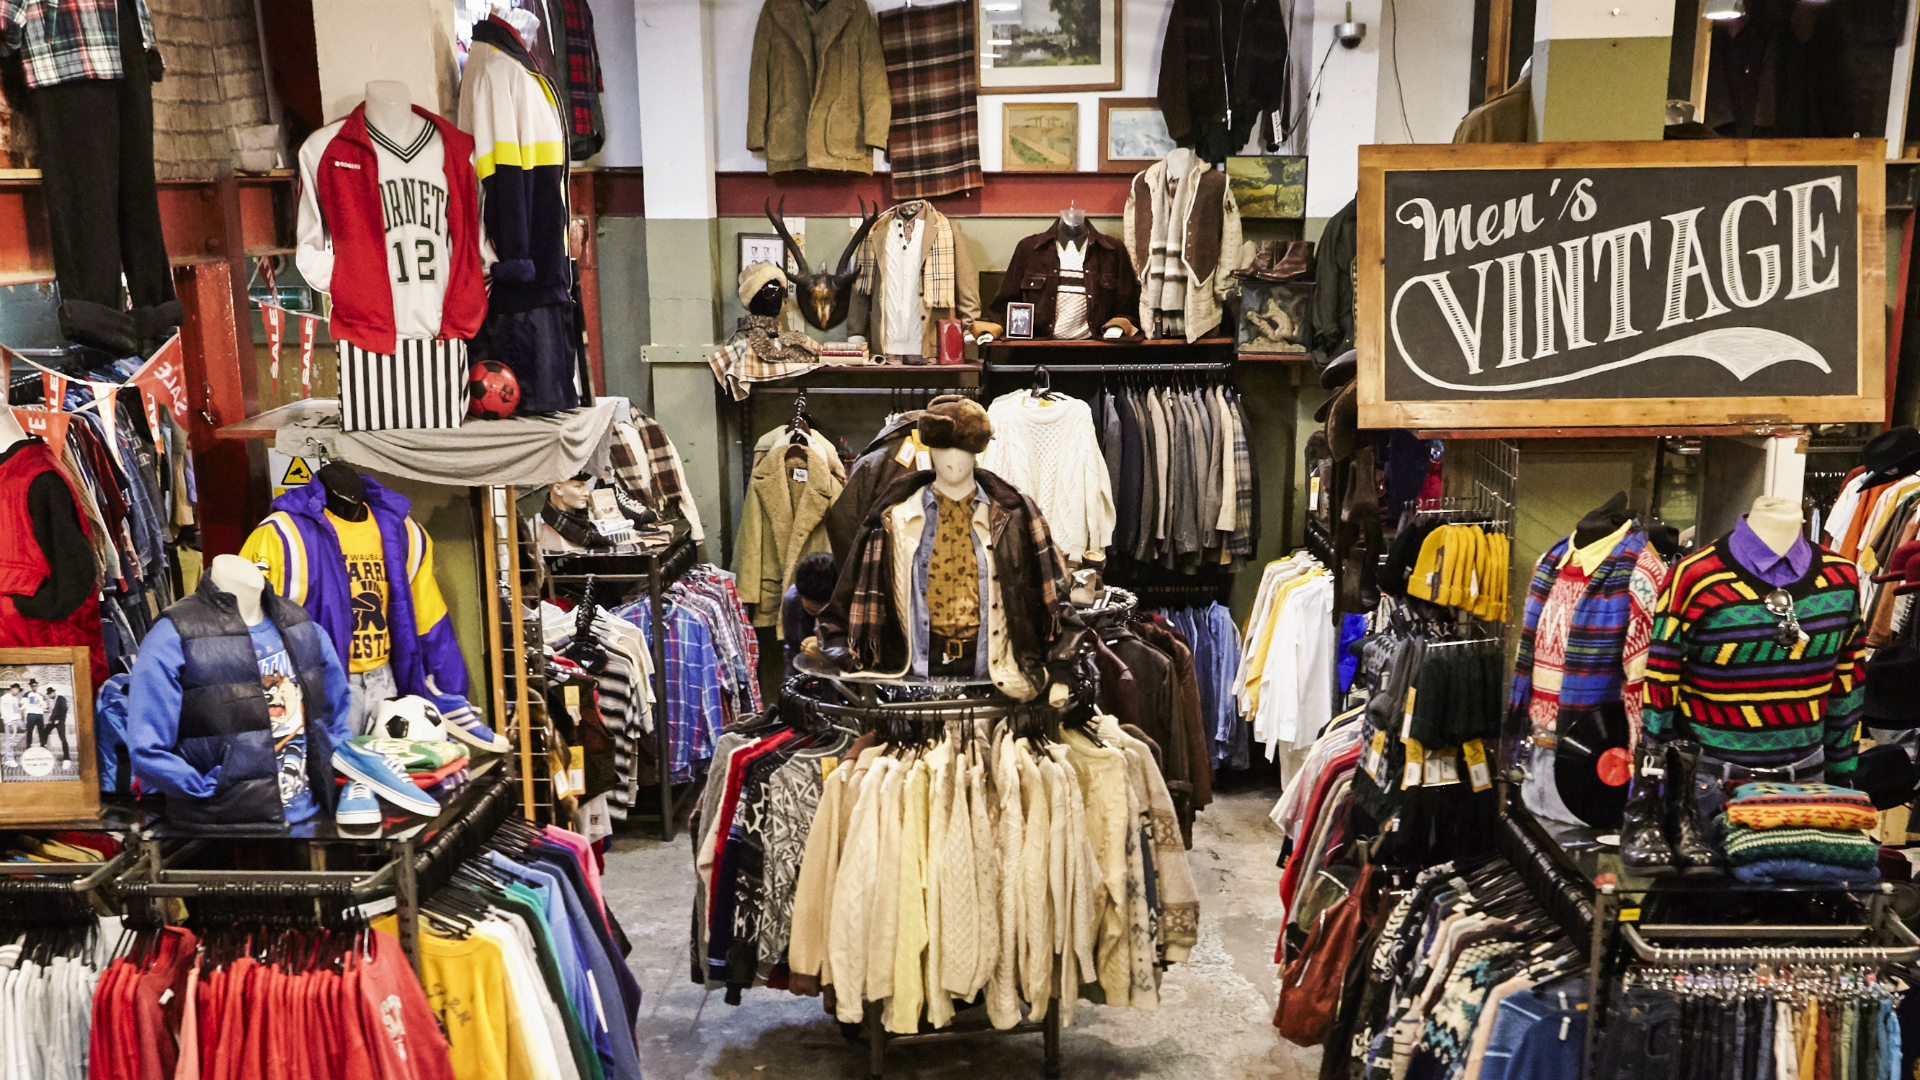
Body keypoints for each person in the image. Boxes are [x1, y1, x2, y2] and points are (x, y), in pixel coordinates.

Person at [782, 552, 837, 674]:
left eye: (825, 613)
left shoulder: (851, 601)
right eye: (812, 611)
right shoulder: (792, 600)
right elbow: (792, 652)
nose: (818, 620)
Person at [0, 683, 18, 768]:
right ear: (11, 688)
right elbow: (4, 711)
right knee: (9, 740)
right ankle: (9, 759)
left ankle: (10, 757)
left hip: (14, 721)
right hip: (9, 721)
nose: (17, 691)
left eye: (18, 690)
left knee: (12, 740)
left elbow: (16, 710)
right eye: (16, 689)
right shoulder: (5, 698)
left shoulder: (15, 698)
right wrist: (9, 723)